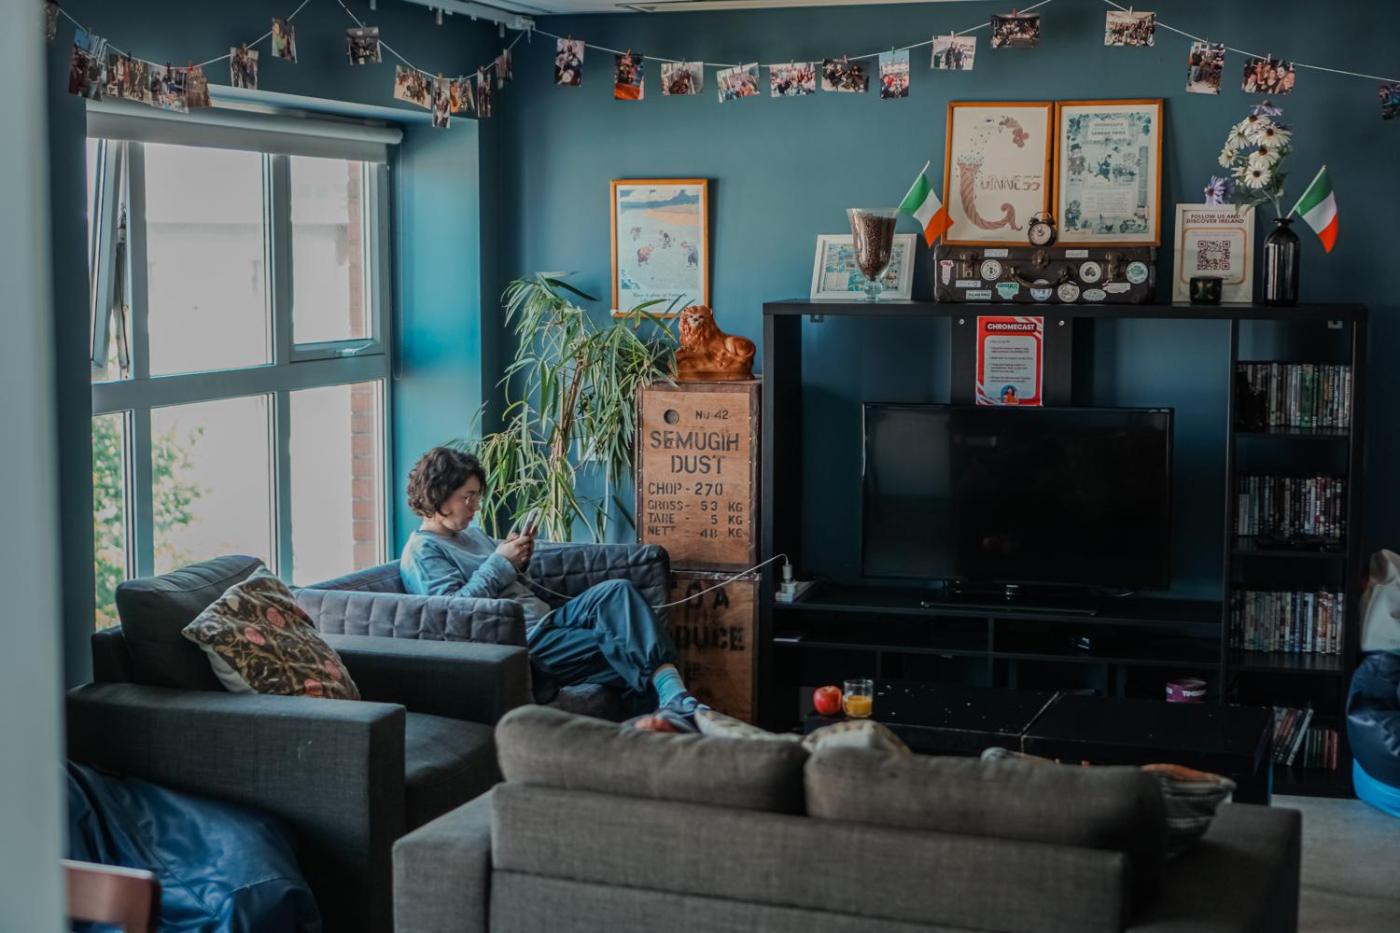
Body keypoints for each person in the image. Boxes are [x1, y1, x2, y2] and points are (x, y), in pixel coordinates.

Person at [399, 447, 702, 718]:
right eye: (467, 497)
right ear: (438, 494)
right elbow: (453, 615)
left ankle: (670, 706)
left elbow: (508, 581)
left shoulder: (472, 535)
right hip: (523, 643)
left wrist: (519, 559)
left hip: (547, 621)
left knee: (617, 591)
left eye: (477, 496)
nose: (476, 506)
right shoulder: (423, 551)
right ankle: (673, 706)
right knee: (624, 644)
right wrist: (502, 562)